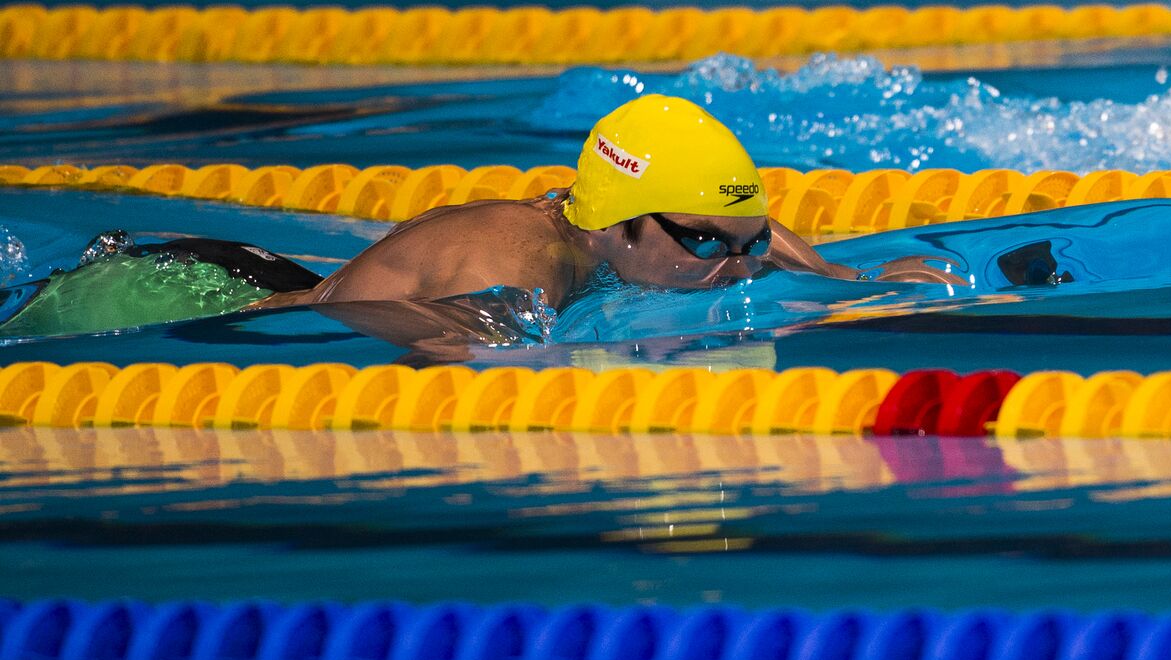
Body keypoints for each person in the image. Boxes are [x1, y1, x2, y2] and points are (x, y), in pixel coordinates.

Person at [1, 95, 958, 344]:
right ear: (620, 226)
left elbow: (753, 233)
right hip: (178, 288)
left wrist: (849, 281)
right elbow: (390, 327)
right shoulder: (527, 265)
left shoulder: (659, 235)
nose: (733, 265)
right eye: (702, 242)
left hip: (269, 267)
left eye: (741, 241)